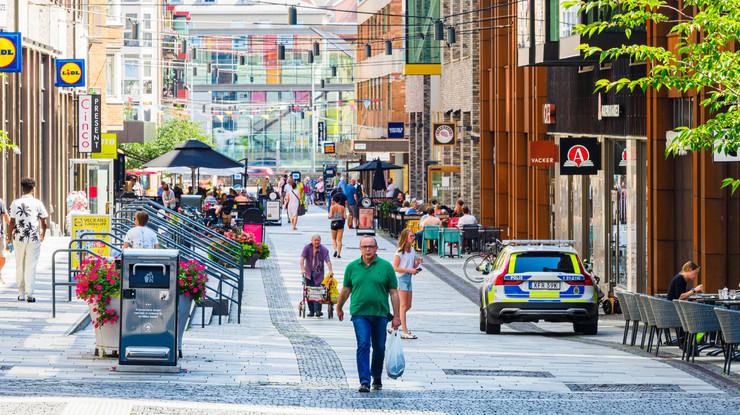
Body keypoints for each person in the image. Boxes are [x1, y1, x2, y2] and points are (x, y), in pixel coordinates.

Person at [336, 236, 401, 393]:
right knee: (363, 345)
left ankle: (376, 376)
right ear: (360, 249)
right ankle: (364, 381)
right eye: (365, 246)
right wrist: (339, 306)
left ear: (376, 248)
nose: (368, 249)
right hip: (360, 313)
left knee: (379, 347)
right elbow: (346, 290)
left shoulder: (386, 267)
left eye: (371, 246)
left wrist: (397, 316)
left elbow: (393, 293)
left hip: (380, 313)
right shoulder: (352, 267)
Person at [7, 178, 49, 303]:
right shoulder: (37, 203)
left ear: (22, 188)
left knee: (19, 264)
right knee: (31, 265)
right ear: (33, 188)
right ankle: (30, 293)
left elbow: (12, 222)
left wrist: (9, 238)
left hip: (19, 237)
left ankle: (21, 293)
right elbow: (44, 222)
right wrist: (43, 235)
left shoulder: (15, 203)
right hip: (33, 237)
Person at [393, 229, 423, 340]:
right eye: (411, 236)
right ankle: (404, 331)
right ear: (405, 237)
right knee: (403, 305)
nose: (413, 238)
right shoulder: (399, 252)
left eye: (413, 236)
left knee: (408, 305)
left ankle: (395, 322)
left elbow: (412, 265)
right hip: (401, 278)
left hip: (409, 278)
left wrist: (417, 263)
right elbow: (395, 268)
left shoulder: (412, 250)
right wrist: (410, 270)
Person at [300, 235, 334, 318]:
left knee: (318, 291)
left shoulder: (323, 249)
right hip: (308, 273)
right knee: (309, 291)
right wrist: (302, 269)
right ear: (311, 241)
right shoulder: (307, 248)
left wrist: (330, 271)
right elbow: (302, 258)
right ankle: (311, 311)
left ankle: (318, 311)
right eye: (315, 240)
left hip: (319, 274)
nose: (317, 242)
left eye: (318, 240)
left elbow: (328, 261)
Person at [0, 197, 9, 284]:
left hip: (0, 235)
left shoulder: (0, 202)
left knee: (3, 257)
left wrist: (12, 227)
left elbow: (6, 217)